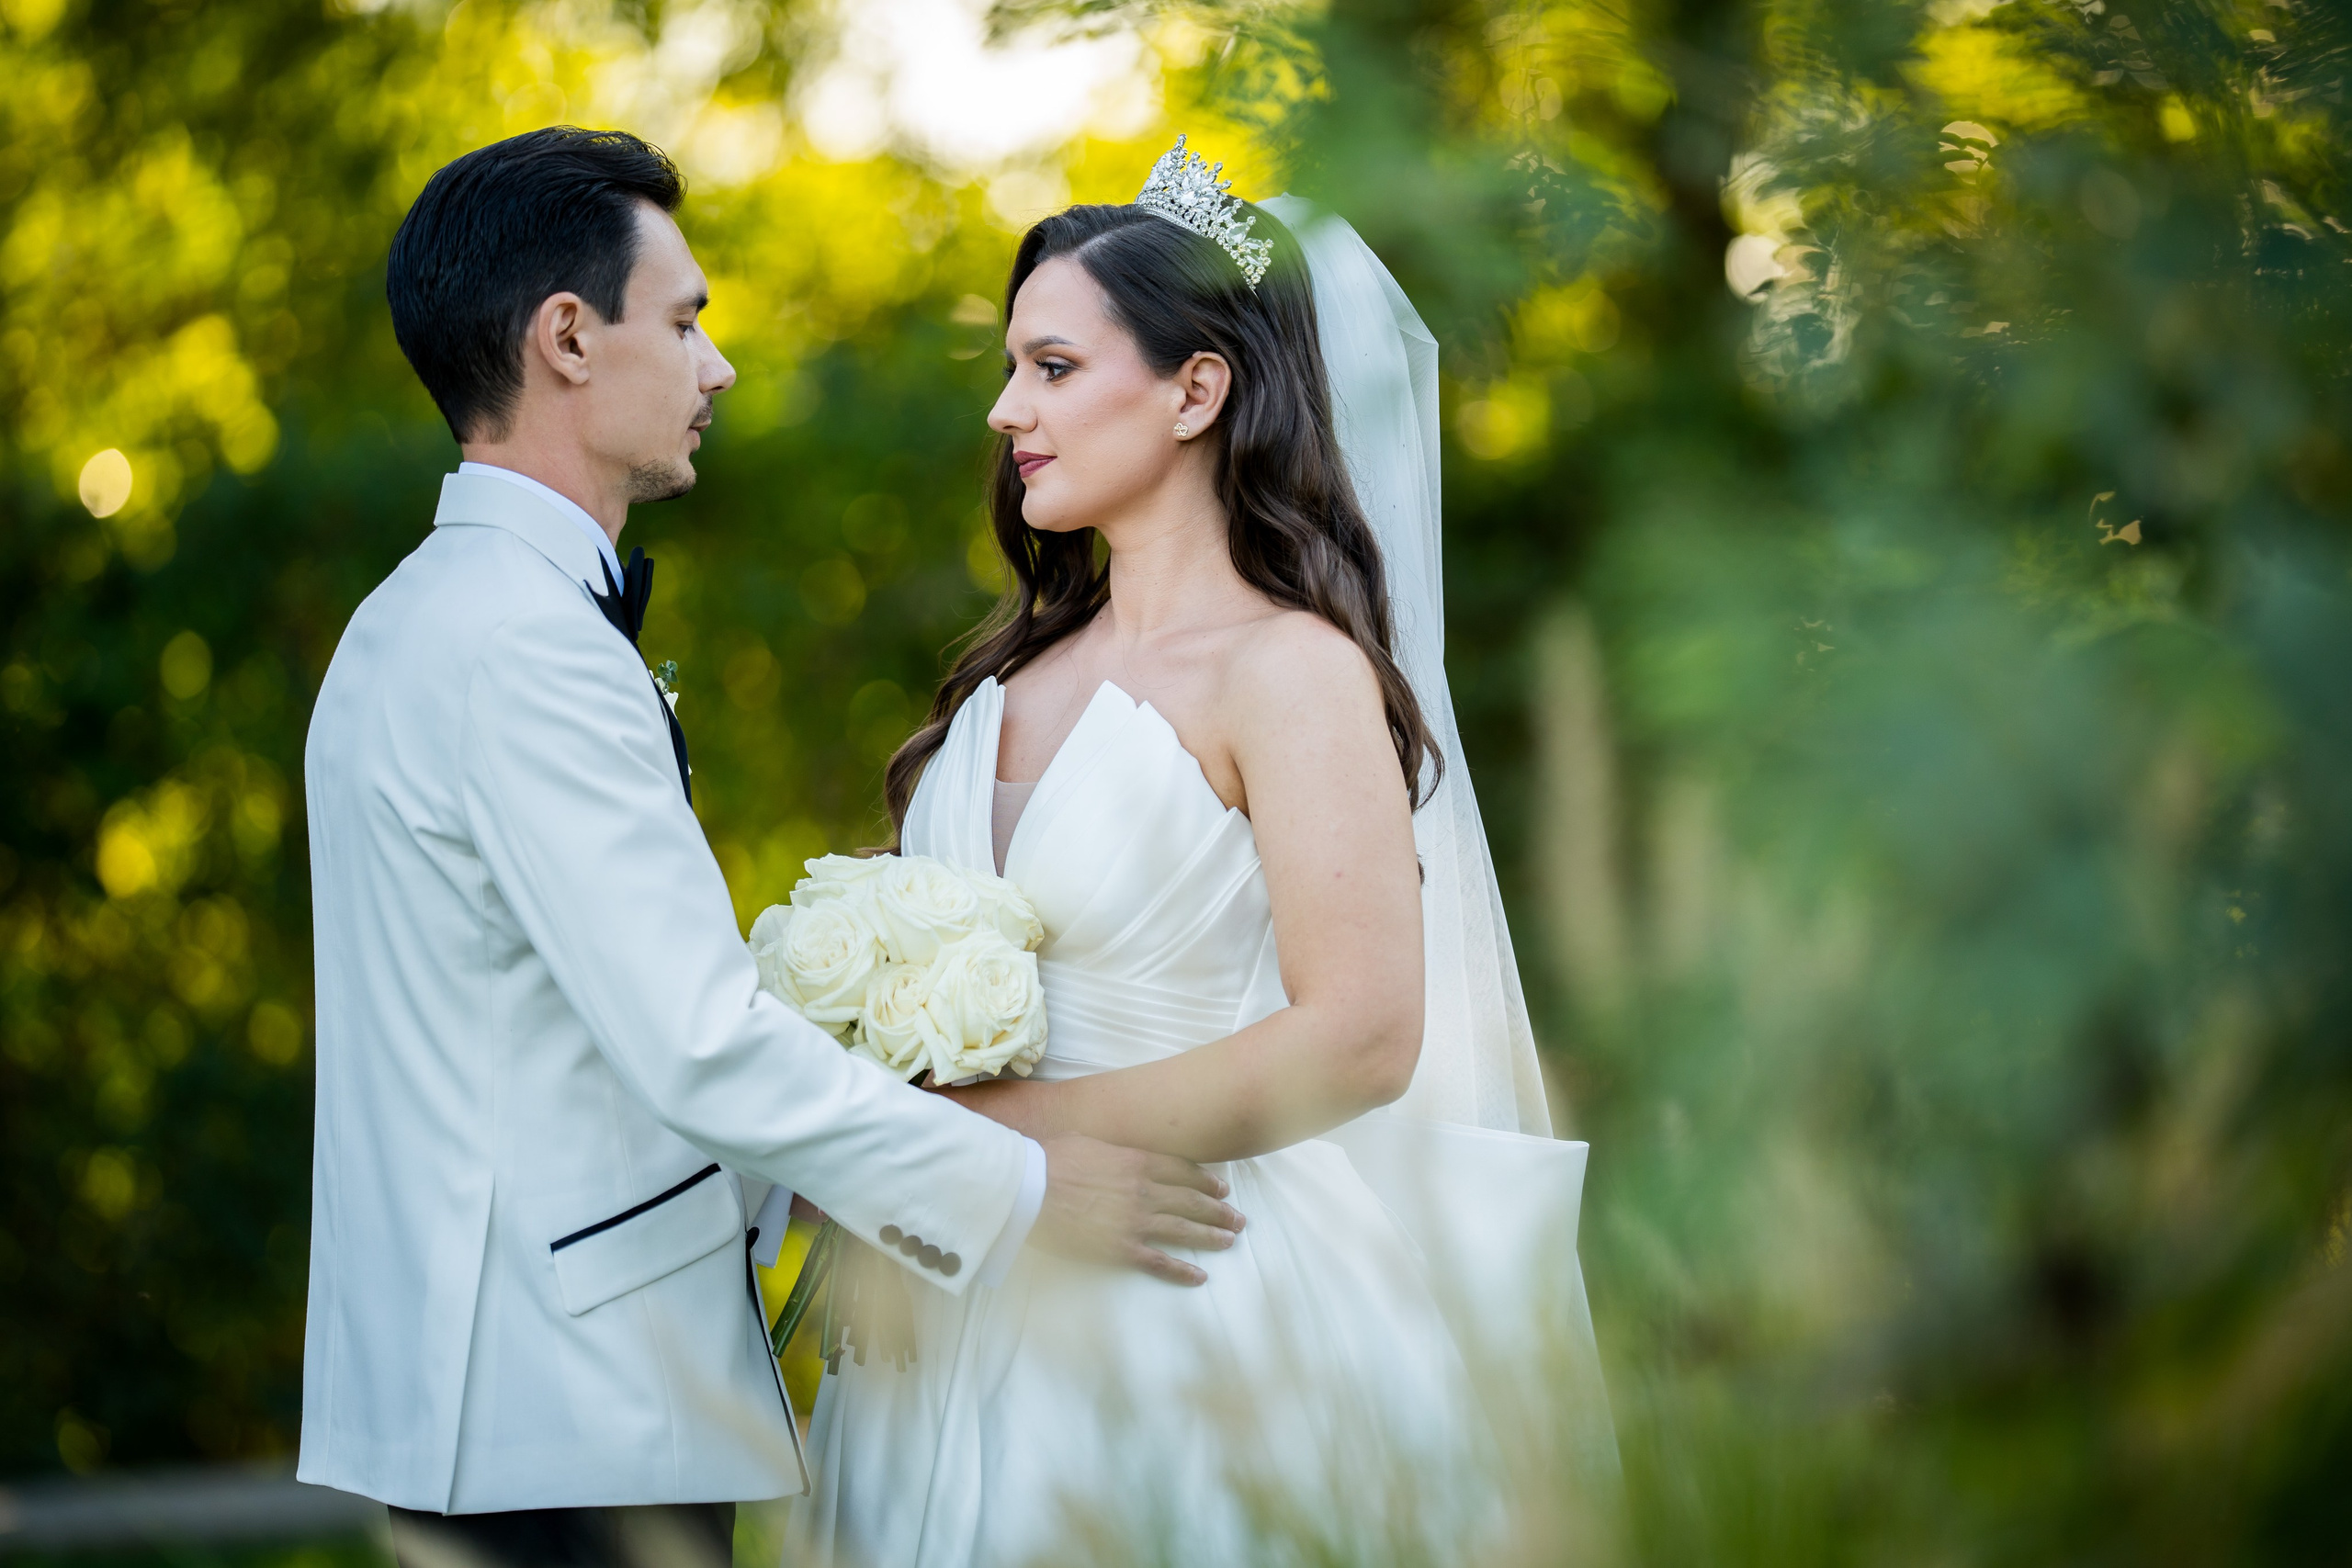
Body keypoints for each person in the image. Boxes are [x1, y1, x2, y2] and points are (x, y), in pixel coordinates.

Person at [297, 125, 1243, 1568]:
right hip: (565, 1414)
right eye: (684, 322)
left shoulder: (427, 617)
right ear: (567, 337)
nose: (715, 366)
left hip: (502, 1399)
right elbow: (696, 1043)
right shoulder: (523, 647)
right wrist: (1028, 1190)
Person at [788, 137, 1599, 1568]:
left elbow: (1360, 1037)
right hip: (951, 1310)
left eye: (1050, 368)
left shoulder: (1288, 673)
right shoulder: (999, 684)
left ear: (1196, 390)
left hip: (1183, 1306)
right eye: (1012, 368)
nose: (1005, 409)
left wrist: (996, 1141)